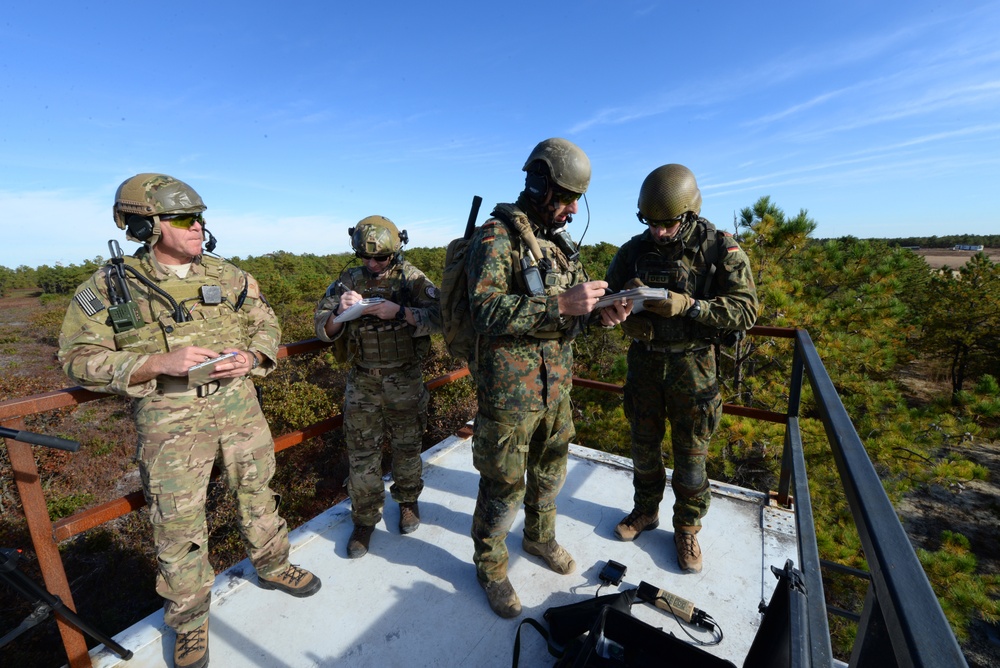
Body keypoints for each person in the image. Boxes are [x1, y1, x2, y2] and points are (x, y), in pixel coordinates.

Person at [58, 174, 321, 668]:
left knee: (258, 490)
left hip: (239, 407)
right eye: (182, 218)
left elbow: (266, 322)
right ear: (145, 224)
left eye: (200, 216)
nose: (197, 226)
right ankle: (190, 620)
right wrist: (158, 363)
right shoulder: (111, 287)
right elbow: (76, 359)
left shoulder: (230, 275)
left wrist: (252, 355)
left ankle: (273, 564)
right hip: (170, 420)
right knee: (177, 521)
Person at [466, 138, 626, 618]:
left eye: (577, 199)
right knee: (503, 483)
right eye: (565, 197)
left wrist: (600, 311)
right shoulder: (497, 236)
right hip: (510, 395)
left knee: (550, 472)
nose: (572, 209)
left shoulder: (557, 246)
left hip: (556, 387)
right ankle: (491, 567)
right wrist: (560, 303)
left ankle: (538, 538)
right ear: (538, 184)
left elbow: (572, 311)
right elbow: (485, 310)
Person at [601, 164, 758, 574]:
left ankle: (687, 527)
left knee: (691, 456)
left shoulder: (719, 249)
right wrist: (621, 314)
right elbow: (605, 300)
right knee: (643, 445)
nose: (659, 233)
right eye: (651, 224)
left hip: (694, 367)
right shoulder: (633, 250)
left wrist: (691, 305)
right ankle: (645, 510)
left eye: (668, 224)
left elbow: (746, 310)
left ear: (688, 214)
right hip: (645, 364)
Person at [313, 216, 441, 559]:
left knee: (407, 446)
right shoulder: (348, 279)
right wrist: (340, 312)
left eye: (380, 258)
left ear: (394, 252)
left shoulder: (411, 278)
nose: (371, 265)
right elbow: (321, 327)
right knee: (362, 455)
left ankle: (408, 501)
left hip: (405, 380)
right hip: (363, 381)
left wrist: (400, 312)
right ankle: (365, 519)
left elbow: (442, 317)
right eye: (365, 258)